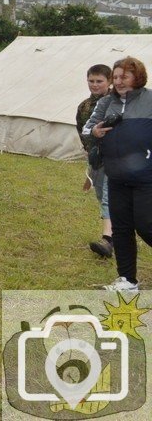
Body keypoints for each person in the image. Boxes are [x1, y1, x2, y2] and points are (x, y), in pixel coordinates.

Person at [83, 56, 152, 291]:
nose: (119, 81)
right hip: (116, 176)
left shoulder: (150, 99)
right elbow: (87, 128)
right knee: (121, 228)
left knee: (145, 224)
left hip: (146, 177)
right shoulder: (105, 102)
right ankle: (127, 280)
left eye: (125, 76)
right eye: (116, 76)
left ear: (138, 77)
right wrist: (95, 131)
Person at [76, 64, 112, 257]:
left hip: (115, 158)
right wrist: (91, 162)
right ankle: (118, 232)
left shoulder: (118, 102)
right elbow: (83, 134)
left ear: (109, 81)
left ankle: (108, 241)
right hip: (96, 158)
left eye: (99, 81)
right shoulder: (84, 107)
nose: (95, 85)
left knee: (108, 198)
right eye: (91, 81)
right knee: (101, 197)